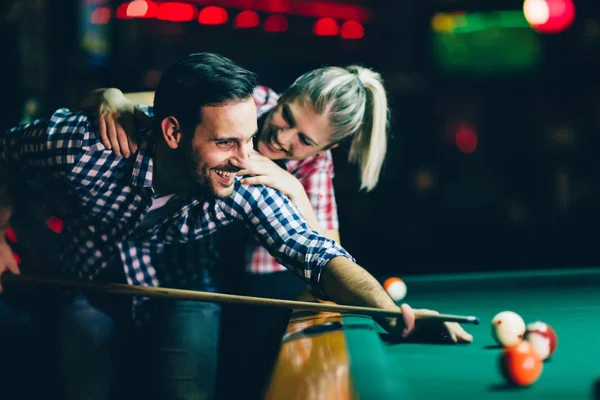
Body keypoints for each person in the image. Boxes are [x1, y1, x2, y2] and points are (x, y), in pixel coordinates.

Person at [0, 53, 470, 400]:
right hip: (87, 282)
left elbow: (317, 252)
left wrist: (389, 311)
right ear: (172, 130)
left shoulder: (241, 175)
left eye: (299, 141)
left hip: (189, 288)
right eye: (230, 141)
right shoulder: (84, 145)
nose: (261, 149)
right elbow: (6, 154)